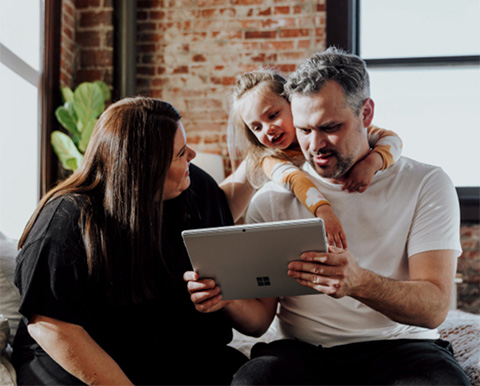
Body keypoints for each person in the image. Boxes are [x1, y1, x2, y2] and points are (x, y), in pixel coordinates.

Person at [187, 48, 470, 385]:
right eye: (304, 130)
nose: (316, 145)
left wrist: (359, 282)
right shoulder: (272, 198)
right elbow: (260, 322)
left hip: (403, 347)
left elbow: (434, 308)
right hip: (302, 351)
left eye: (330, 127)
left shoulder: (426, 183)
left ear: (366, 113)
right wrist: (224, 297)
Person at [11, 97, 271, 385]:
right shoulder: (66, 219)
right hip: (81, 357)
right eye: (181, 152)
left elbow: (222, 213)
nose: (193, 155)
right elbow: (50, 326)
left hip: (163, 354)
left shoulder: (193, 186)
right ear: (144, 169)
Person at [226, 69, 402, 247]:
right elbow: (295, 179)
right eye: (257, 128)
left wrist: (372, 163)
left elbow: (391, 139)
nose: (268, 129)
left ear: (293, 104)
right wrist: (323, 212)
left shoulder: (334, 129)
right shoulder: (271, 160)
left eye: (273, 116)